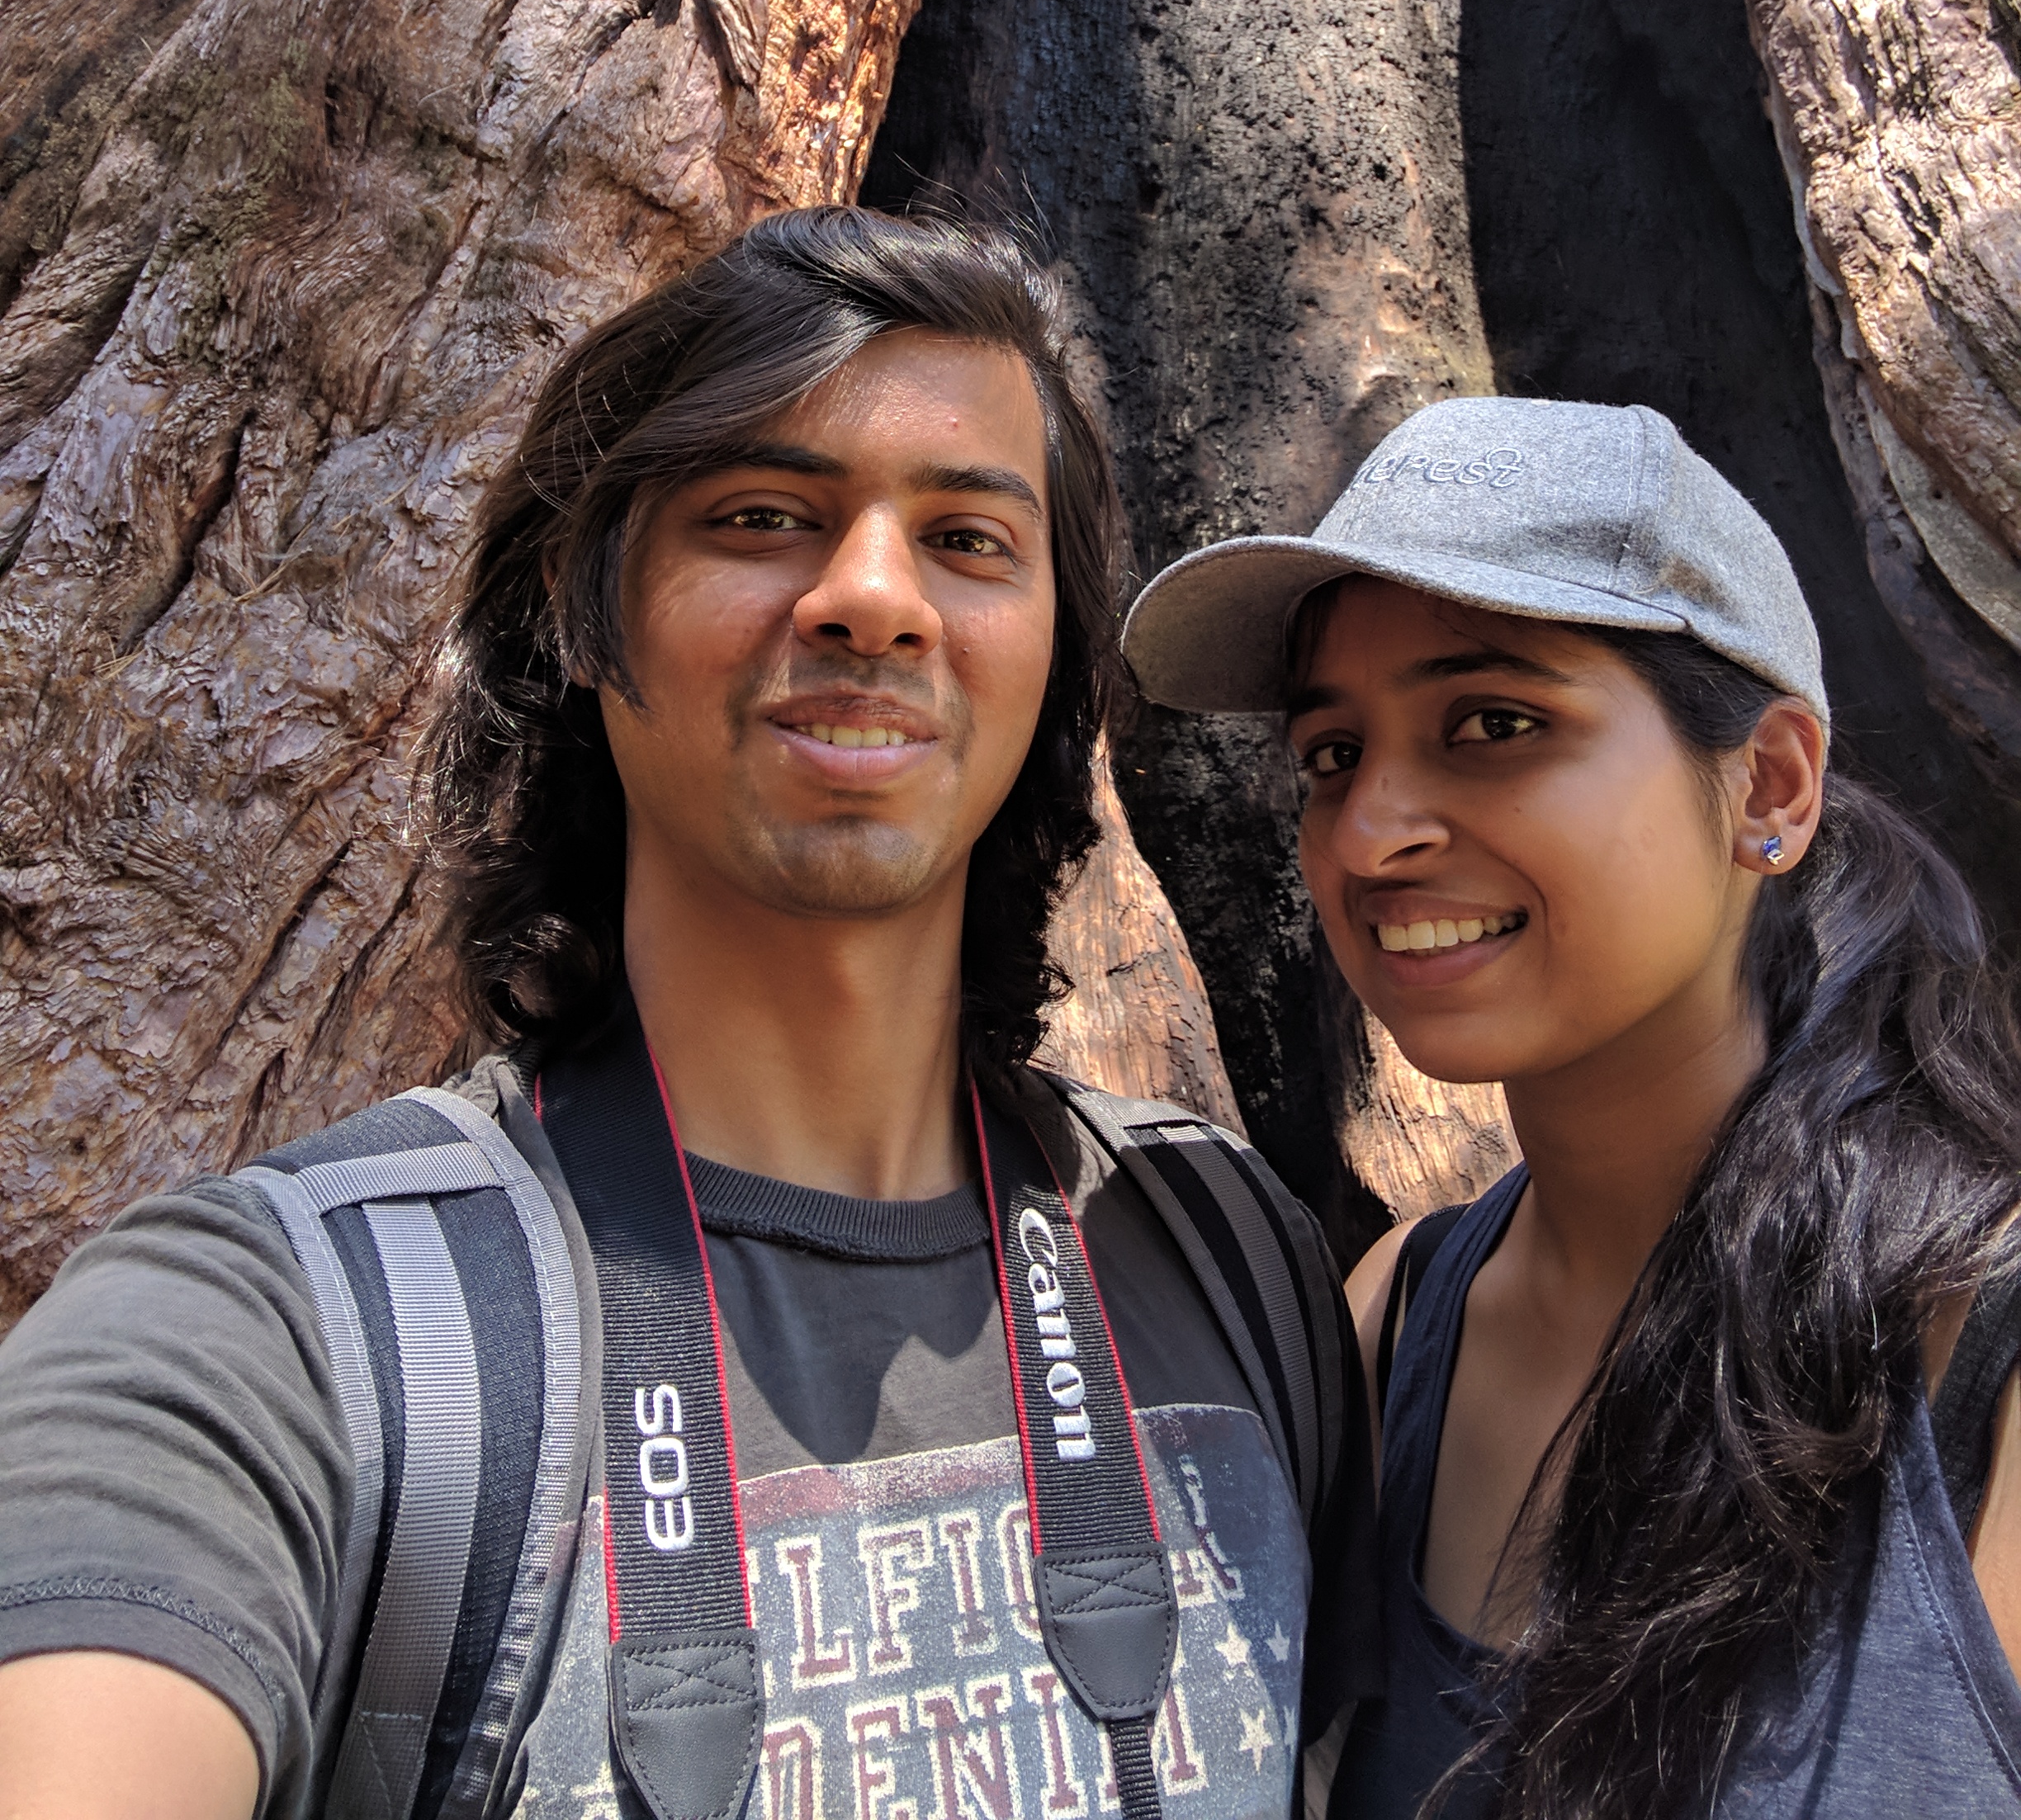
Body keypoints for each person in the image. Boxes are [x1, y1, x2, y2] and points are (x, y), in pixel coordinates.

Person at [0, 210, 1368, 1820]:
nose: (872, 597)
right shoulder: (281, 1338)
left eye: (970, 541)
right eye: (766, 515)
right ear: (587, 618)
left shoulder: (1227, 1259)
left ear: (1054, 663)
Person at [1123, 394, 2021, 1819]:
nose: (1368, 834)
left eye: (1491, 722)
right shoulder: (1394, 1319)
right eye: (1331, 753)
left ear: (1770, 787)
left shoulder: (1978, 1347)